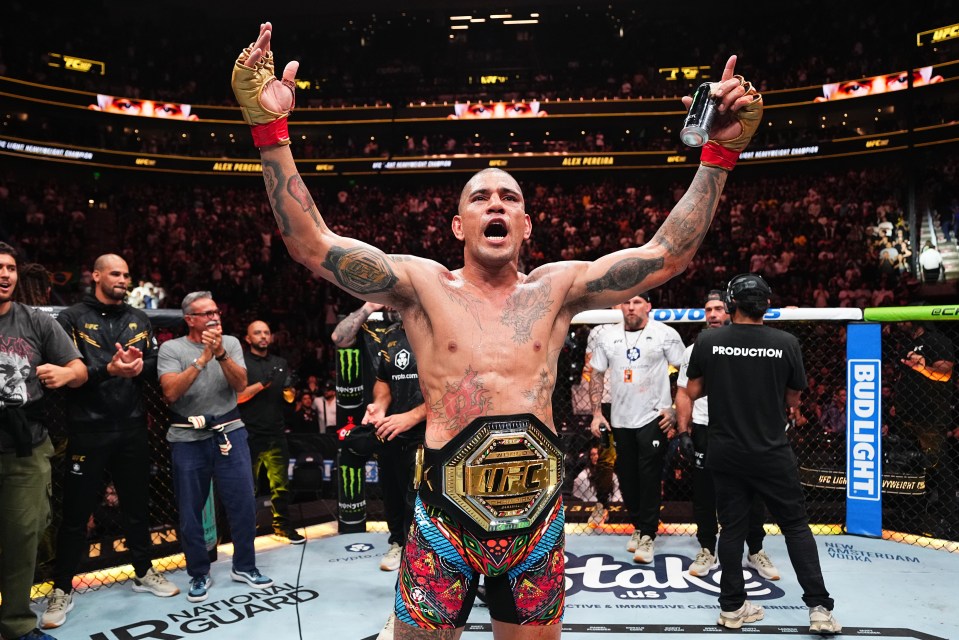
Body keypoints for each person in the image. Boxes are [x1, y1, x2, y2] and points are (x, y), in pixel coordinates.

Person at [232, 22, 762, 638]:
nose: (495, 204)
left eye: (509, 197)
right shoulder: (421, 286)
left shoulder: (559, 288)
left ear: (527, 224)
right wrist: (270, 134)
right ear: (459, 226)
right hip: (443, 522)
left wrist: (720, 155)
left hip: (535, 521)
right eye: (480, 197)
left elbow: (667, 254)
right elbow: (311, 245)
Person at [684, 273, 841, 633]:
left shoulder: (709, 341)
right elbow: (793, 398)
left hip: (726, 451)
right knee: (796, 528)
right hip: (772, 451)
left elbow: (692, 390)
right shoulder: (786, 343)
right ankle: (819, 608)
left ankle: (731, 609)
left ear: (731, 303)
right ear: (767, 304)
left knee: (732, 530)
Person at [41, 254, 179, 631]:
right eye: (115, 273)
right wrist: (110, 370)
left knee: (137, 506)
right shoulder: (71, 318)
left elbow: (153, 363)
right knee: (74, 516)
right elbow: (70, 373)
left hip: (132, 427)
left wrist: (139, 368)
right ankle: (61, 588)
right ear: (97, 275)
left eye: (126, 275)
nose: (123, 279)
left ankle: (143, 571)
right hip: (88, 427)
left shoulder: (138, 318)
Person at [157, 291, 273, 602]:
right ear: (190, 319)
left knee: (243, 503)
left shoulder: (232, 343)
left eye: (216, 311)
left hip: (229, 431)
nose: (214, 317)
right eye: (206, 313)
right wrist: (202, 360)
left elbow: (239, 385)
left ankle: (245, 566)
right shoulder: (172, 348)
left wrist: (220, 354)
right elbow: (170, 393)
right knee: (191, 511)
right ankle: (198, 572)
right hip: (187, 437)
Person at [0, 241, 87, 640]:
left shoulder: (34, 320)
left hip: (26, 446)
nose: (4, 274)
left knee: (24, 538)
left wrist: (67, 374)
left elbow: (79, 368)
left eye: (10, 268)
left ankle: (16, 625)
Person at [674, 290, 780, 580]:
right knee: (705, 492)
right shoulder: (694, 349)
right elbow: (684, 392)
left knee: (752, 490)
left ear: (731, 310)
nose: (712, 314)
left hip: (745, 428)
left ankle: (755, 548)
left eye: (718, 308)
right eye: (708, 309)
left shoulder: (749, 344)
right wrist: (683, 430)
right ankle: (708, 548)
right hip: (706, 427)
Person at [587, 292, 685, 563]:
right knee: (627, 477)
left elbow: (686, 368)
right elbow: (596, 373)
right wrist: (597, 413)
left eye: (637, 301)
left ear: (648, 306)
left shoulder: (665, 333)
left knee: (649, 474)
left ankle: (648, 535)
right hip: (620, 419)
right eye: (627, 302)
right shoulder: (607, 336)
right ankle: (639, 526)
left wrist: (675, 409)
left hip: (654, 416)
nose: (631, 306)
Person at [358, 308, 427, 573]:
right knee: (393, 493)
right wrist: (379, 405)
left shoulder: (438, 331)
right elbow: (383, 381)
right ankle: (398, 542)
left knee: (418, 498)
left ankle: (419, 551)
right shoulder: (391, 334)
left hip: (428, 432)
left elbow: (453, 388)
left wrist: (411, 416)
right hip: (392, 429)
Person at [237, 320, 304, 544]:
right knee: (248, 487)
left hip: (276, 432)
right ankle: (246, 532)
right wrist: (262, 384)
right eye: (257, 333)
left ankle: (282, 527)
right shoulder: (241, 363)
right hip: (249, 434)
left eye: (266, 332)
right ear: (248, 338)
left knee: (281, 485)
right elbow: (237, 396)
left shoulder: (280, 362)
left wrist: (288, 388)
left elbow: (290, 399)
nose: (263, 336)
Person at [895, 321, 956, 538]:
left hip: (929, 415)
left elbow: (945, 373)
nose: (900, 321)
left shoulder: (937, 340)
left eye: (905, 317)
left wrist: (922, 368)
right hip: (907, 416)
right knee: (912, 466)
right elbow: (905, 376)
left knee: (938, 467)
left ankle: (952, 521)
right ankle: (912, 517)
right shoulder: (909, 344)